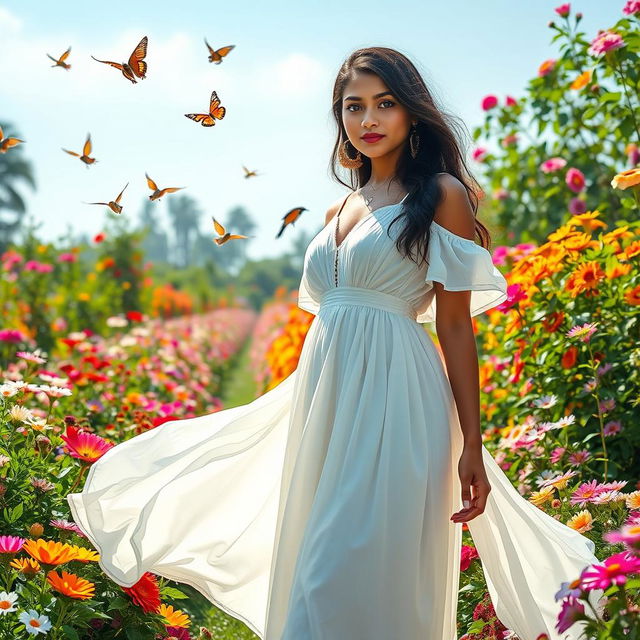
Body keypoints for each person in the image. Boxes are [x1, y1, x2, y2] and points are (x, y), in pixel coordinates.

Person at [67, 46, 606, 640]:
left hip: (397, 402)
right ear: (339, 118)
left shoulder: (443, 196)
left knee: (342, 576)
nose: (368, 120)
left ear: (411, 114)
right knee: (311, 567)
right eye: (354, 107)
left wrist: (472, 442)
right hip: (327, 402)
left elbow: (454, 324)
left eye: (385, 104)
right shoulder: (339, 207)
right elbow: (334, 318)